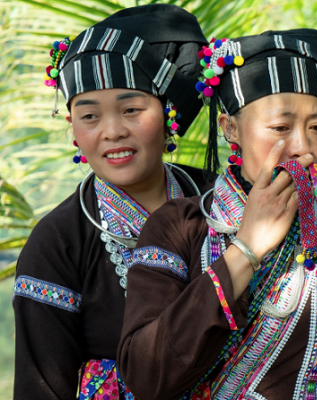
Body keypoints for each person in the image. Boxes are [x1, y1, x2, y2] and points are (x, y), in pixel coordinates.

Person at [117, 29, 317, 399]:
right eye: (280, 127)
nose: (301, 147)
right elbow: (146, 377)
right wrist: (245, 249)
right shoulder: (178, 228)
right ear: (229, 127)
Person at [13, 5, 209, 399]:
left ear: (169, 112)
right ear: (73, 128)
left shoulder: (220, 200)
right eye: (89, 116)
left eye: (132, 109)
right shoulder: (57, 242)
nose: (113, 131)